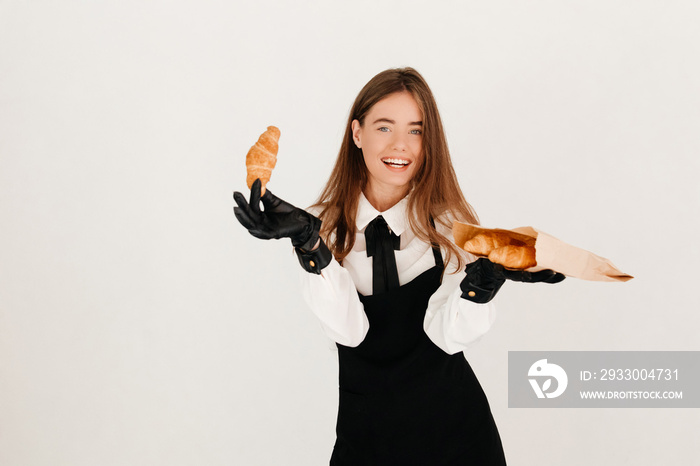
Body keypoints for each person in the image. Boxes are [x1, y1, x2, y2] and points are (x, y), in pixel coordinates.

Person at [234, 67, 564, 465]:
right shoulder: (323, 226)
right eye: (385, 127)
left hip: (458, 439)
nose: (401, 145)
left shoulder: (449, 226)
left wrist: (482, 284)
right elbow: (349, 332)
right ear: (357, 133)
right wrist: (312, 247)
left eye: (416, 130)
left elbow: (450, 337)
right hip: (366, 440)